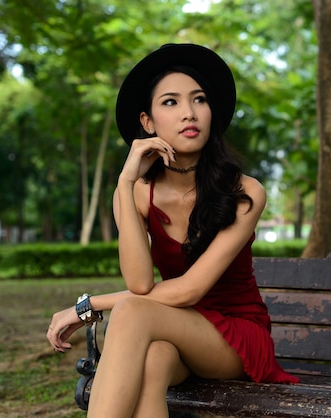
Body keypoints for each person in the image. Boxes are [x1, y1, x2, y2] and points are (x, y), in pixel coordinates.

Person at [46, 43, 299, 418]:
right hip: (171, 330)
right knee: (153, 362)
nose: (188, 112)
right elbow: (139, 283)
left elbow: (190, 289)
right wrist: (125, 182)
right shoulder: (135, 191)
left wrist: (88, 307)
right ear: (147, 123)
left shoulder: (245, 191)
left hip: (235, 336)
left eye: (198, 99)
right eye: (171, 102)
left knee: (132, 312)